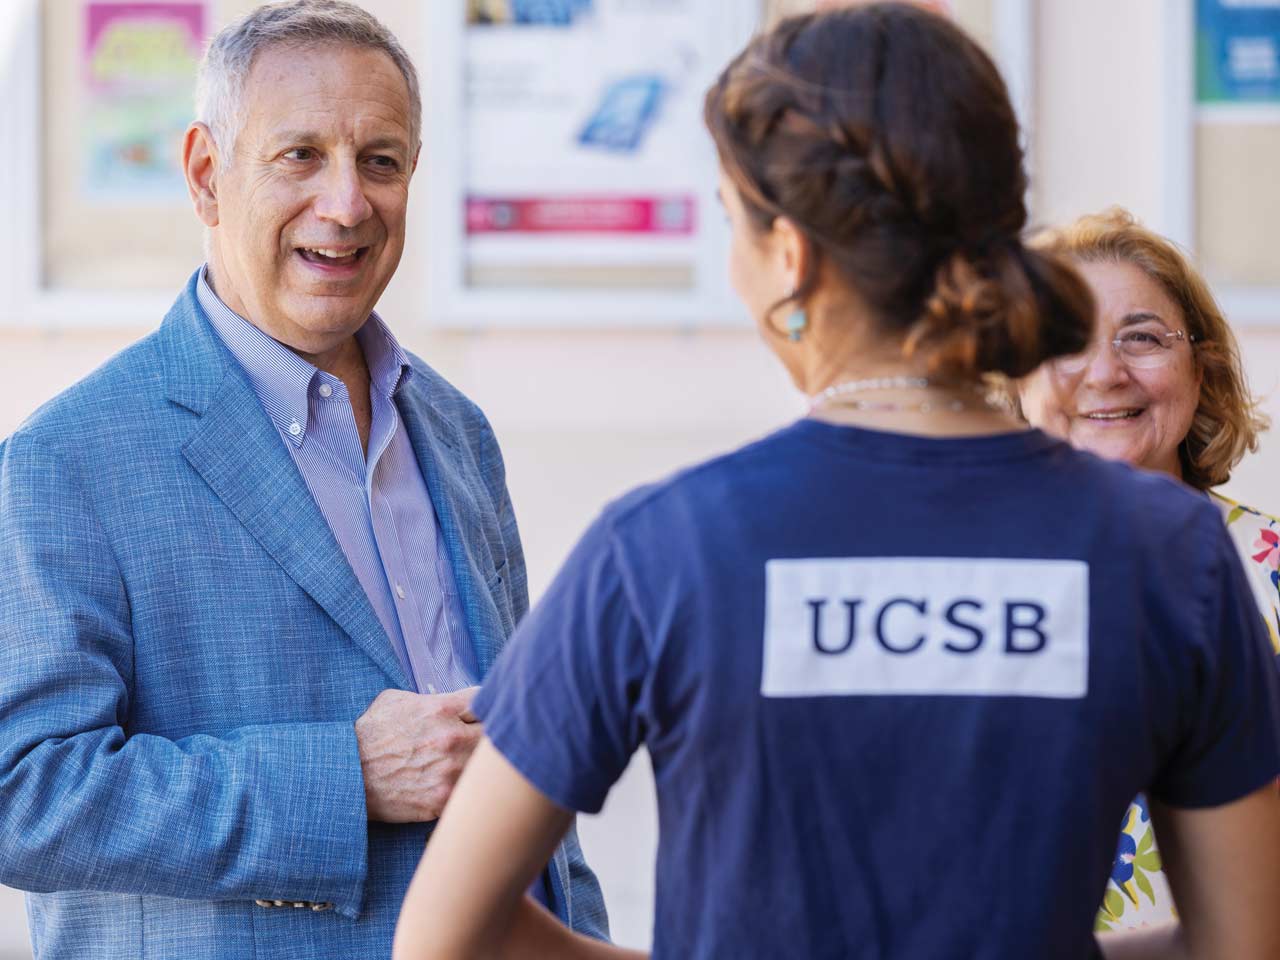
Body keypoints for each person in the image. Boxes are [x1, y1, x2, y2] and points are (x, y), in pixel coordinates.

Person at [393, 5, 1280, 960]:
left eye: (733, 223)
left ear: (791, 256)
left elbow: (447, 936)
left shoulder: (662, 546)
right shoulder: (1170, 552)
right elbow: (1244, 942)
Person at [0, 2, 605, 958]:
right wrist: (344, 777)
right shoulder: (68, 459)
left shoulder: (455, 431)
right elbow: (23, 794)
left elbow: (517, 758)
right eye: (300, 157)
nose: (347, 203)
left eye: (381, 160)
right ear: (206, 175)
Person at [1016, 208, 1280, 932]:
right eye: (1066, 339)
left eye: (1142, 337)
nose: (1105, 372)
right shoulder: (965, 579)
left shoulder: (1273, 571)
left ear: (1204, 367)